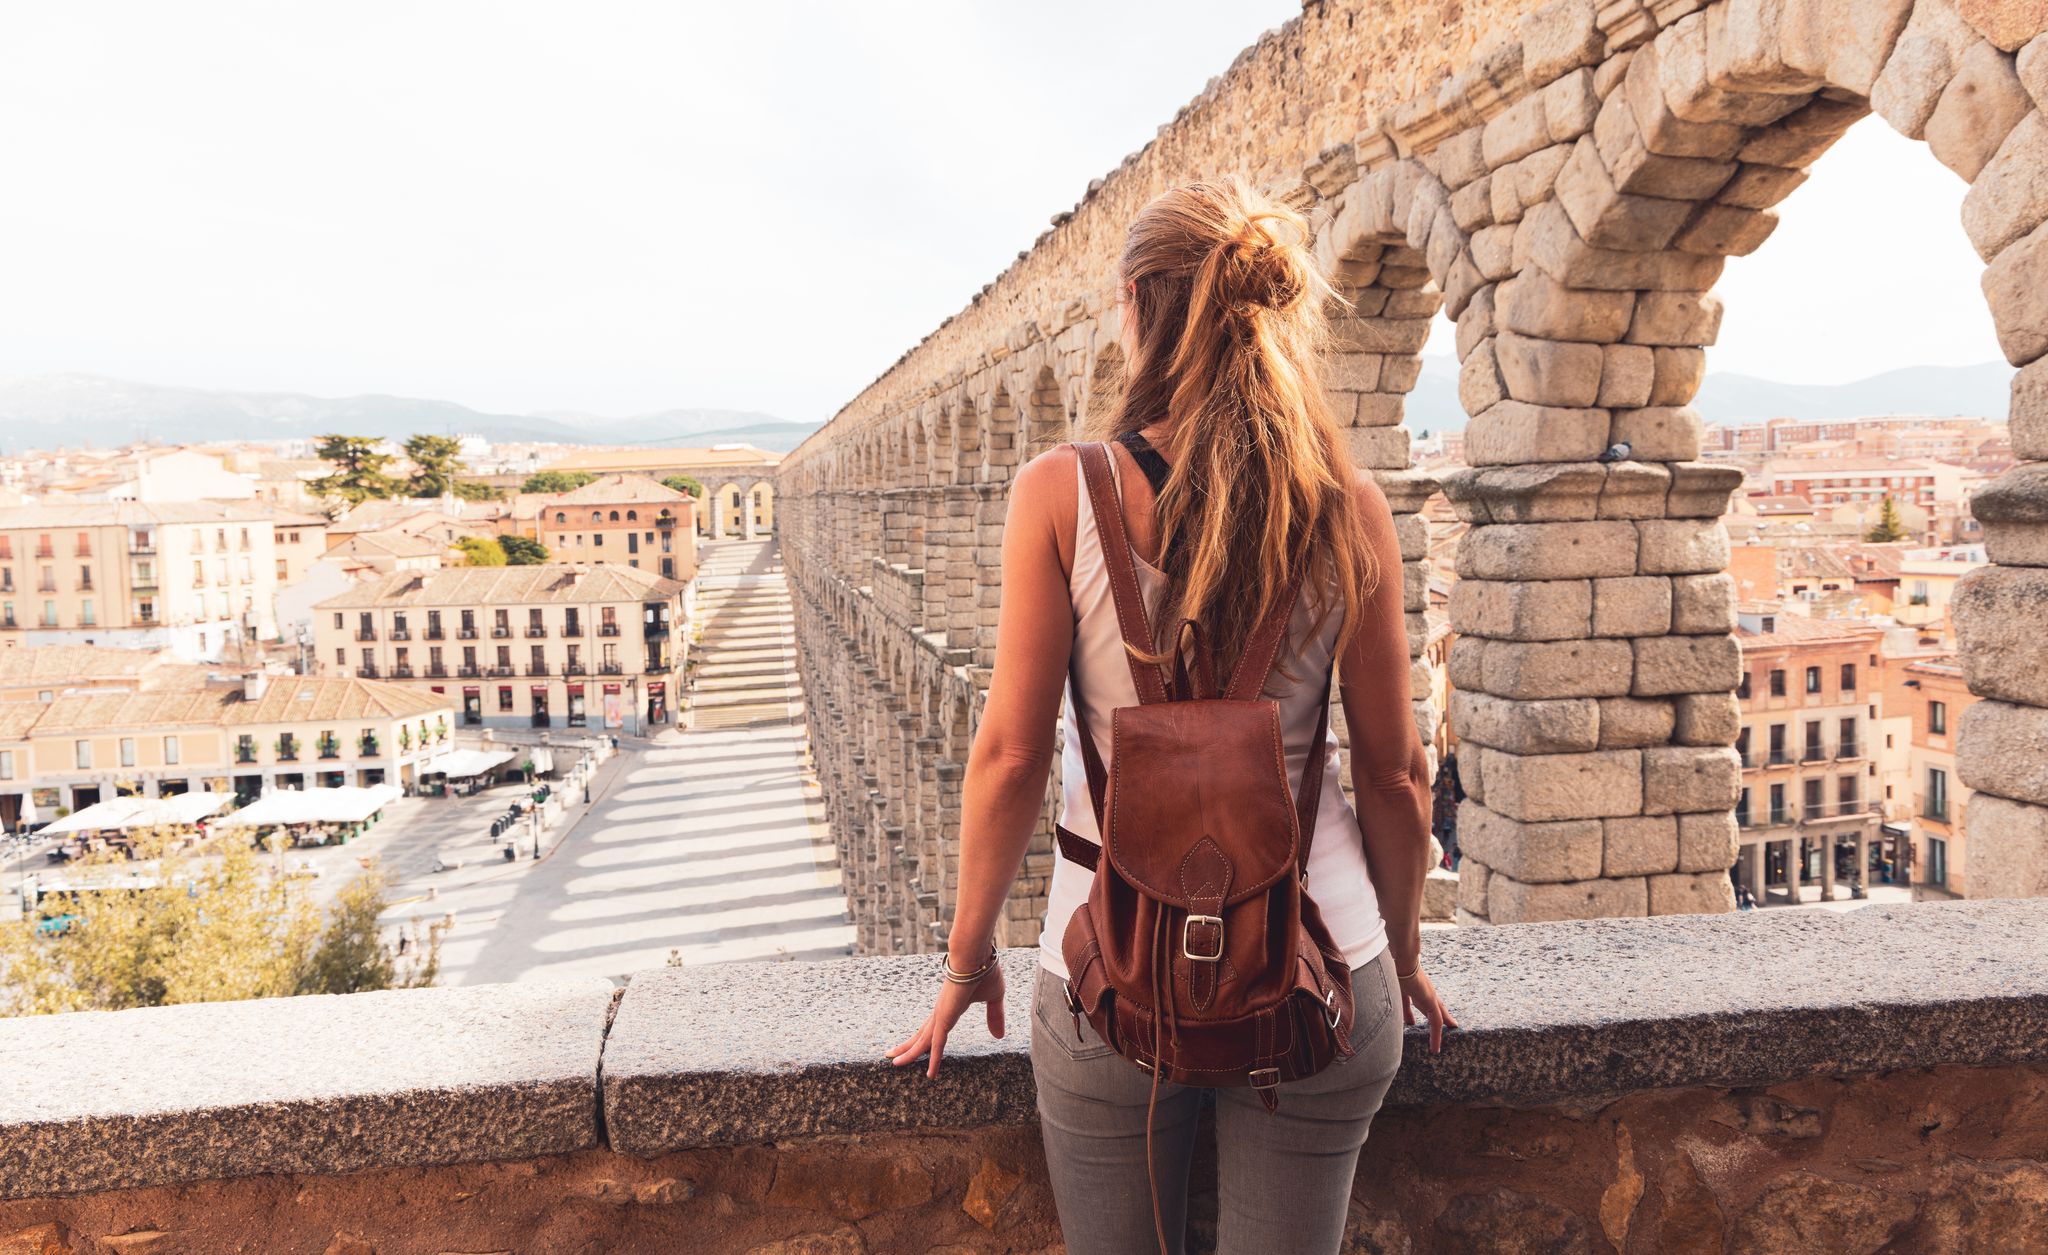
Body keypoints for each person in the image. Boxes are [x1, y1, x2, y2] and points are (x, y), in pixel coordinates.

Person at [889, 177, 1458, 1254]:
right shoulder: (1346, 501)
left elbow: (1008, 756)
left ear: (1137, 305)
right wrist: (1403, 947)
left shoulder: (1062, 490)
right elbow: (1395, 774)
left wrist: (967, 961)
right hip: (1325, 973)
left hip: (1110, 980)